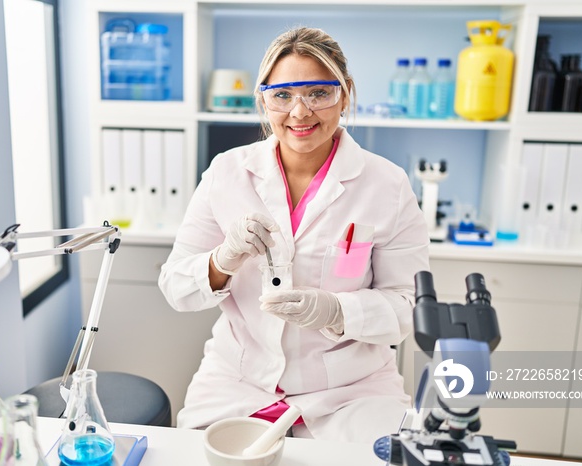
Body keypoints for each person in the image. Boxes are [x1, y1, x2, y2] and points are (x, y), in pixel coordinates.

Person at [158, 26, 429, 443]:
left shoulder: (387, 186)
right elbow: (175, 287)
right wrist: (221, 261)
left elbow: (407, 307)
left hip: (351, 391)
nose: (300, 112)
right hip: (238, 380)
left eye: (319, 93)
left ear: (345, 94)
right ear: (264, 99)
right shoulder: (226, 173)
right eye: (282, 95)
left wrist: (337, 312)